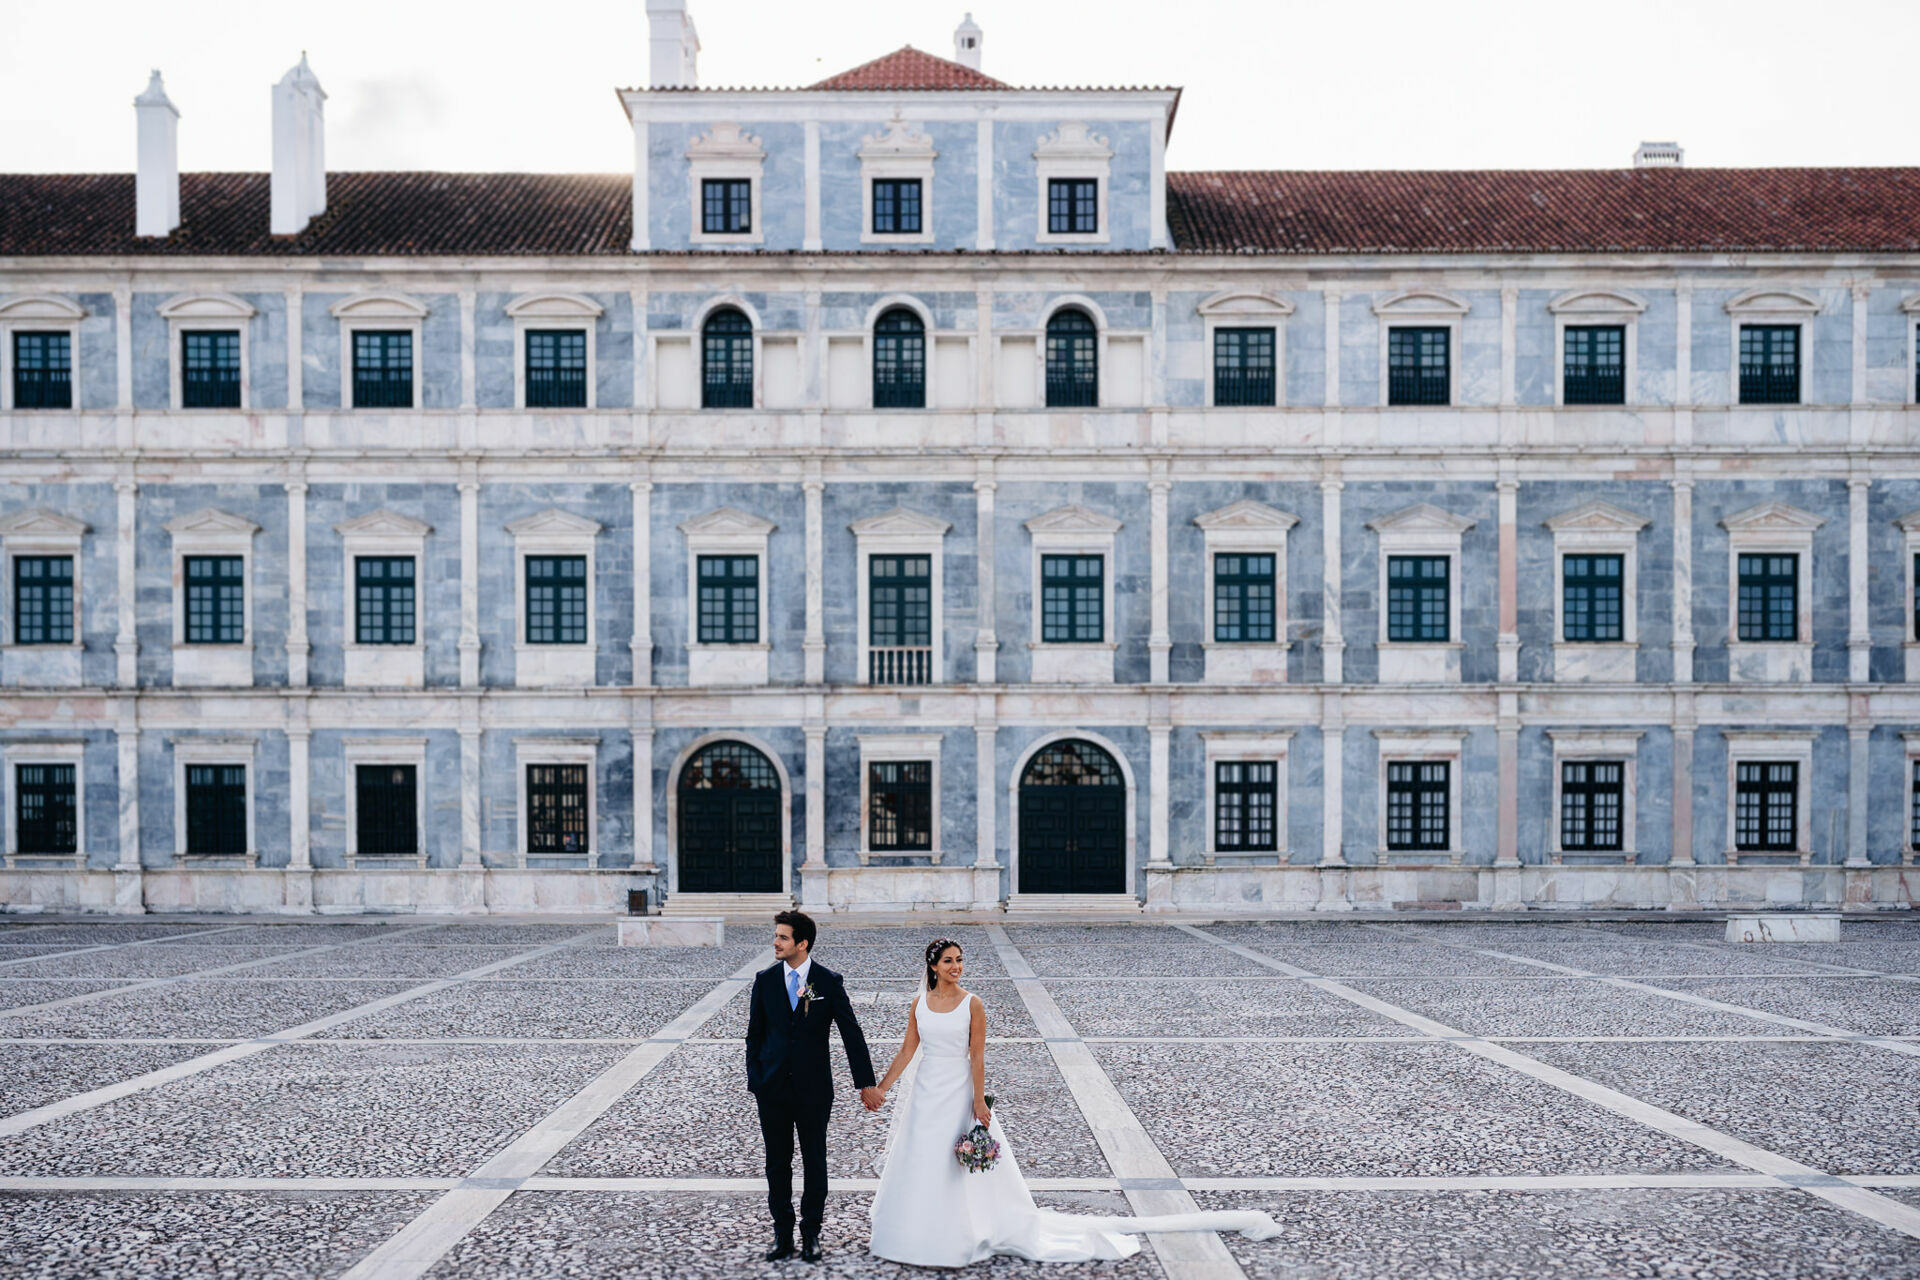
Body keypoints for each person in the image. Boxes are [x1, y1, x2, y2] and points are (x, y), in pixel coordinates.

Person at [864, 938, 1282, 1267]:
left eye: (960, 960)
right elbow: (907, 1051)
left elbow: (977, 1056)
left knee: (956, 1165)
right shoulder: (920, 1003)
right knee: (921, 1157)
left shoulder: (973, 1004)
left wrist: (978, 1101)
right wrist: (882, 1087)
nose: (956, 967)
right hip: (926, 1093)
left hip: (957, 1091)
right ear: (933, 967)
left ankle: (959, 1231)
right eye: (949, 961)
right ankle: (915, 1230)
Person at [744, 909, 879, 1263]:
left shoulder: (828, 981)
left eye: (783, 937)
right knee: (777, 1164)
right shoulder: (764, 980)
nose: (776, 942)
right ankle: (782, 1234)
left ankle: (811, 1234)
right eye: (776, 935)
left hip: (814, 1090)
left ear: (802, 943)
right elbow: (754, 1034)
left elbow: (851, 1033)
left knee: (814, 1162)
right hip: (772, 1088)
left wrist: (865, 1082)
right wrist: (756, 1079)